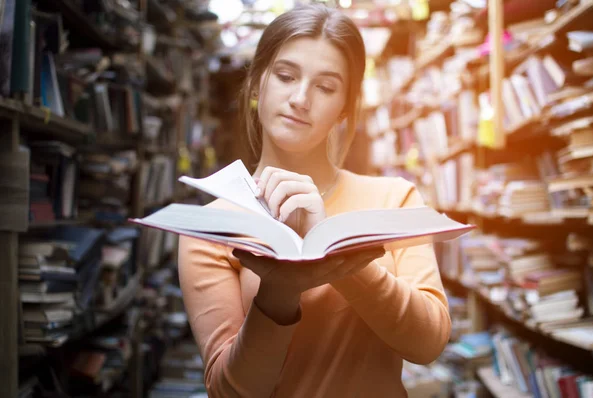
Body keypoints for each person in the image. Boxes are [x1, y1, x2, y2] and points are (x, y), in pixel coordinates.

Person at [178, 4, 451, 397]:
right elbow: (229, 392)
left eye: (325, 87)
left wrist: (339, 252)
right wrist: (278, 294)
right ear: (257, 83)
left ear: (344, 108)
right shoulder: (211, 228)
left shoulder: (395, 200)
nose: (301, 99)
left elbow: (428, 345)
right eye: (286, 76)